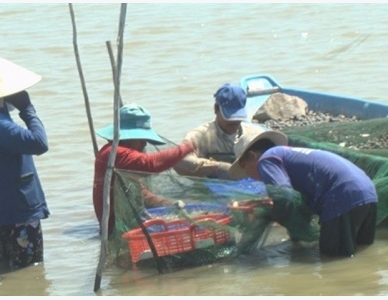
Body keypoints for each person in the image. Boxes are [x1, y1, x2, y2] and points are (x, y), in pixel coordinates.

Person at [229, 131, 378, 257]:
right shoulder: (288, 155)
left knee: (332, 262)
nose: (247, 174)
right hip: (367, 192)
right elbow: (295, 196)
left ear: (253, 155)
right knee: (362, 254)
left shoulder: (266, 159)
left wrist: (271, 214)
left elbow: (285, 196)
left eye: (244, 167)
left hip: (341, 196)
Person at [93, 103, 195, 235]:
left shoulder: (120, 158)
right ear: (127, 137)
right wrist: (187, 147)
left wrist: (170, 205)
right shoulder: (115, 154)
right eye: (141, 139)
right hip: (116, 231)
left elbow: (142, 194)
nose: (144, 144)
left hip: (126, 225)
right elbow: (150, 164)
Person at [0, 54, 50, 273]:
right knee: (30, 271)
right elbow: (40, 143)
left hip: (0, 210)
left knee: (8, 272)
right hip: (19, 212)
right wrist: (27, 109)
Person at [173, 83, 267, 180]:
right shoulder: (201, 135)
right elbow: (178, 160)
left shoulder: (256, 134)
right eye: (229, 117)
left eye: (238, 116)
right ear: (216, 109)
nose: (234, 121)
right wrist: (218, 168)